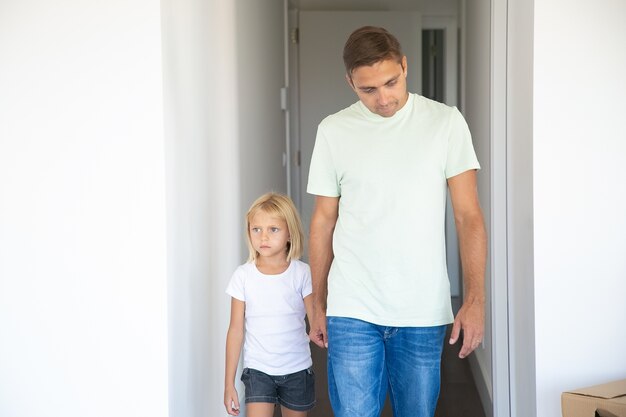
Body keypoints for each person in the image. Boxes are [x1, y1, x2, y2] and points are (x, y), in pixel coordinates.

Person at [306, 26, 487, 417]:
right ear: (350, 82)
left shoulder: (446, 123)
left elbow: (468, 215)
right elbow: (323, 221)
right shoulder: (333, 131)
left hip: (420, 306)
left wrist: (474, 301)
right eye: (368, 89)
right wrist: (317, 303)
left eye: (391, 82)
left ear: (405, 66)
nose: (384, 99)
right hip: (351, 304)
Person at [224, 192, 316, 417]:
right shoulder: (243, 276)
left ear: (289, 233)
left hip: (297, 370)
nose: (263, 237)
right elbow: (235, 330)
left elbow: (316, 324)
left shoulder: (302, 273)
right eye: (256, 229)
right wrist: (229, 384)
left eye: (273, 229)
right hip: (258, 371)